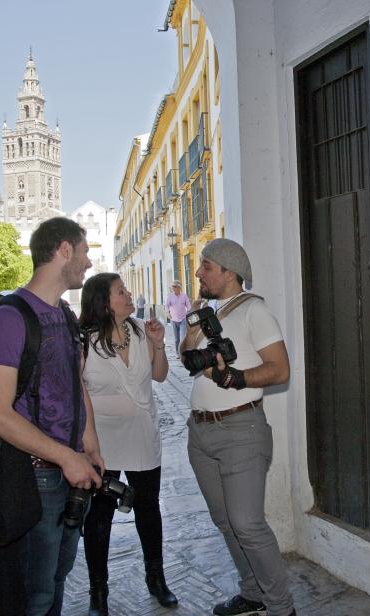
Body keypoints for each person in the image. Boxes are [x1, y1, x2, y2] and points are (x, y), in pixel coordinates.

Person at [0, 217, 104, 615]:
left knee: (56, 582)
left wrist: (89, 445)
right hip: (33, 477)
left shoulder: (66, 316)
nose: (88, 263)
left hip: (70, 473)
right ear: (64, 250)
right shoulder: (8, 317)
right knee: (33, 596)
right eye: (84, 252)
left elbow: (75, 383)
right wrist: (66, 457)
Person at [181, 238, 296, 616]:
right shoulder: (211, 311)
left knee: (247, 524)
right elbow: (188, 360)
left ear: (229, 272)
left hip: (240, 431)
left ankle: (282, 608)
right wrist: (193, 328)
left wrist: (234, 378)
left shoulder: (253, 311)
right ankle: (253, 594)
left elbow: (280, 370)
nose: (198, 272)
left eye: (206, 266)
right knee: (225, 521)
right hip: (201, 433)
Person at [79, 273, 176, 615]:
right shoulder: (83, 341)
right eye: (121, 291)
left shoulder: (140, 330)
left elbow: (161, 375)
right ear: (104, 302)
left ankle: (156, 578)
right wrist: (86, 442)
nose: (129, 294)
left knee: (148, 508)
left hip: (142, 435)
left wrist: (159, 343)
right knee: (100, 515)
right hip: (101, 443)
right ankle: (98, 591)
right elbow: (78, 395)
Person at [165, 280, 191, 356]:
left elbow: (188, 306)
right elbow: (166, 305)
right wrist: (167, 313)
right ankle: (177, 352)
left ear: (179, 288)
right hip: (173, 319)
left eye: (176, 287)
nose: (174, 288)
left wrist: (189, 312)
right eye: (173, 287)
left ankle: (182, 353)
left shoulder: (184, 296)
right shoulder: (170, 296)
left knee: (182, 337)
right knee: (177, 339)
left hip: (183, 319)